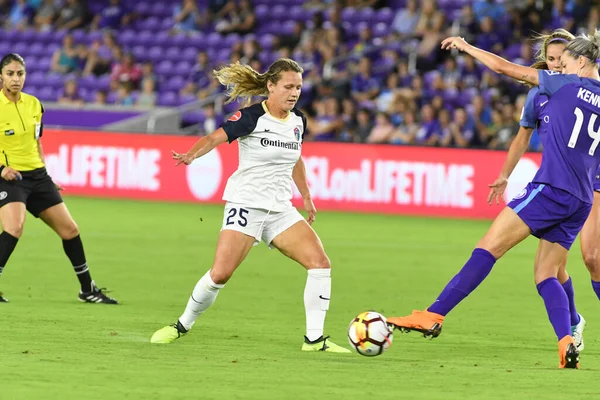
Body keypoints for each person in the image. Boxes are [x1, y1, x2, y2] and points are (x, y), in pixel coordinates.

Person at [387, 30, 600, 369]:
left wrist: (468, 46)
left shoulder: (566, 85)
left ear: (583, 62)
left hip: (551, 188)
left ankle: (434, 314)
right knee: (546, 273)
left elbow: (505, 69)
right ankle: (567, 342)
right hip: (582, 199)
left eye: (568, 61)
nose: (562, 67)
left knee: (489, 247)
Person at [150, 58, 350, 353]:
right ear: (271, 86)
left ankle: (314, 339)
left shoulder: (298, 121)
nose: (294, 93)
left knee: (320, 264)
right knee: (220, 274)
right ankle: (181, 325)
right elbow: (213, 138)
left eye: (298, 87)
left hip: (280, 210)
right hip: (246, 204)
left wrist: (306, 196)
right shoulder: (251, 117)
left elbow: (296, 158)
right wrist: (192, 155)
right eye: (288, 87)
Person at [0, 53, 117, 304]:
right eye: (10, 73)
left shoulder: (34, 105)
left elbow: (36, 141)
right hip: (9, 177)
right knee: (14, 227)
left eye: (20, 73)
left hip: (37, 176)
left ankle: (87, 290)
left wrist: (46, 175)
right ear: (1, 76)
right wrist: (1, 170)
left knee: (70, 230)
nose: (15, 78)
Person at [499, 29, 586, 351]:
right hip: (563, 184)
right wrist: (504, 175)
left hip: (590, 181)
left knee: (589, 257)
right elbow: (522, 136)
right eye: (550, 60)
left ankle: (572, 325)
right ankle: (574, 322)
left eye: (561, 60)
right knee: (556, 267)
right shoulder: (540, 92)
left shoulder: (586, 89)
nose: (555, 66)